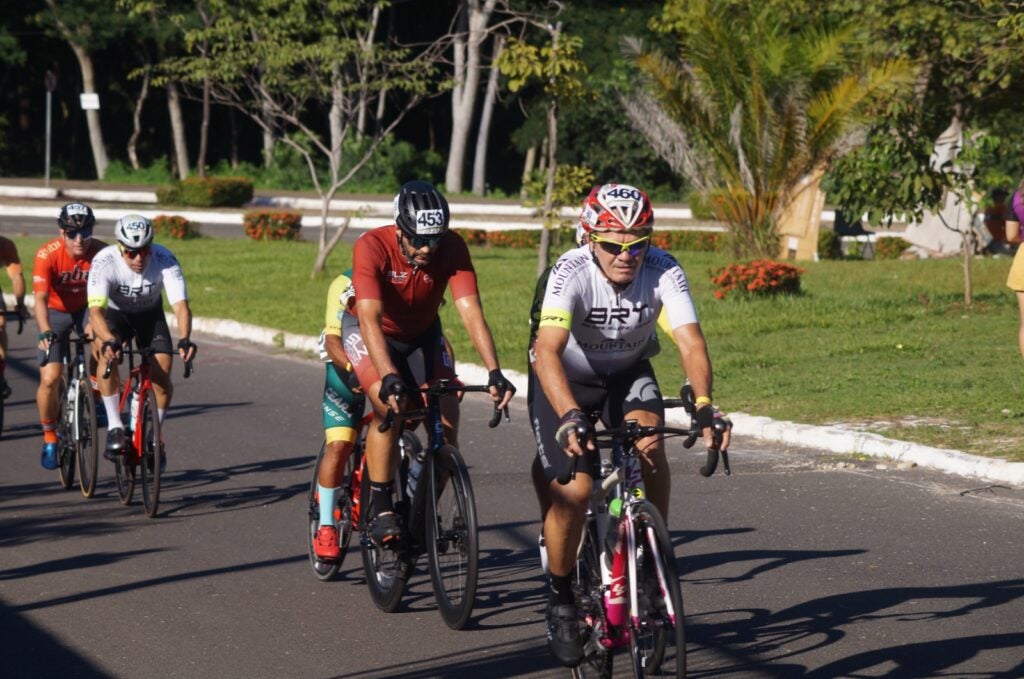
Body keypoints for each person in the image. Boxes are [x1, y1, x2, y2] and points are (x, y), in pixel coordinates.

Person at [530, 183, 731, 666]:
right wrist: (570, 415)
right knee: (576, 491)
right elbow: (547, 351)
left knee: (650, 447)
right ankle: (560, 598)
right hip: (566, 379)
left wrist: (704, 403)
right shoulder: (570, 270)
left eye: (638, 243)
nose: (627, 254)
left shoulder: (663, 268)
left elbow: (690, 342)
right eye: (614, 244)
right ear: (588, 238)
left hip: (628, 373)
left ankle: (648, 553)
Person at [342, 179, 515, 549]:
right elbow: (370, 318)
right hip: (371, 331)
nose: (426, 248)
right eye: (418, 240)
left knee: (448, 421)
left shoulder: (451, 248)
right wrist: (388, 376)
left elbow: (471, 312)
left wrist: (494, 370)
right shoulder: (372, 246)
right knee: (390, 405)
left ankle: (421, 511)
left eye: (434, 240)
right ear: (400, 229)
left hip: (422, 334)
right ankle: (382, 503)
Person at [87, 214, 197, 461]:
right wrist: (108, 340)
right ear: (119, 247)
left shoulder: (165, 259)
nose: (139, 258)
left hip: (150, 316)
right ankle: (115, 426)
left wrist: (185, 338)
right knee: (108, 359)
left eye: (144, 250)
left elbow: (180, 306)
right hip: (116, 316)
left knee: (163, 370)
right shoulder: (104, 262)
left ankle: (153, 435)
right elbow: (95, 312)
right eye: (131, 252)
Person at [33, 203, 107, 469]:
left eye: (85, 232)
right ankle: (50, 436)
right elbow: (40, 299)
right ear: (61, 232)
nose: (79, 239)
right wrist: (45, 330)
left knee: (104, 344)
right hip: (55, 311)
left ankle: (97, 394)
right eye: (72, 233)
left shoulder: (102, 252)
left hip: (88, 307)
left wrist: (98, 326)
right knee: (51, 378)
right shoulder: (47, 254)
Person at [311, 271, 365, 560]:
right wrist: (354, 371)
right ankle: (327, 524)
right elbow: (333, 340)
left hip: (387, 353)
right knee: (341, 443)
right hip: (344, 356)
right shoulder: (345, 283)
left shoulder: (408, 279)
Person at [0, 234, 30, 402]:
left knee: (1, 323)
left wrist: (19, 304)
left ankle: (1, 373)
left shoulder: (5, 245)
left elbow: (17, 276)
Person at [983, 188, 1016, 256]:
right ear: (997, 196)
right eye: (1002, 195)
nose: (1004, 197)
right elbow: (1007, 221)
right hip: (997, 237)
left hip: (989, 236)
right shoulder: (1000, 207)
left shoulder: (989, 207)